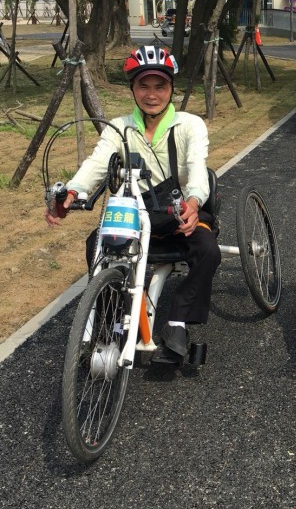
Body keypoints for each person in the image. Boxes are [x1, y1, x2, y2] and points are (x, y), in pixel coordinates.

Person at [45, 44, 222, 365]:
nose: (152, 94)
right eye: (143, 85)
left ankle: (178, 323)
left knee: (208, 250)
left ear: (171, 88)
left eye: (160, 86)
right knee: (96, 245)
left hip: (181, 212)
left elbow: (198, 167)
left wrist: (195, 201)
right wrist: (71, 192)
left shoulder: (189, 125)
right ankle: (113, 317)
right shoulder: (120, 127)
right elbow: (97, 162)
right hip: (137, 218)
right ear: (132, 88)